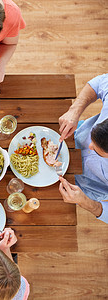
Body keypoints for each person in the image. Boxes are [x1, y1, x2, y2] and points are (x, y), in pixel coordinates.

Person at [58, 73, 108, 223]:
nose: (89, 146)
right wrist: (75, 110)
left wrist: (86, 203)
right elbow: (100, 82)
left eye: (98, 150)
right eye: (93, 140)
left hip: (80, 187)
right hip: (73, 134)